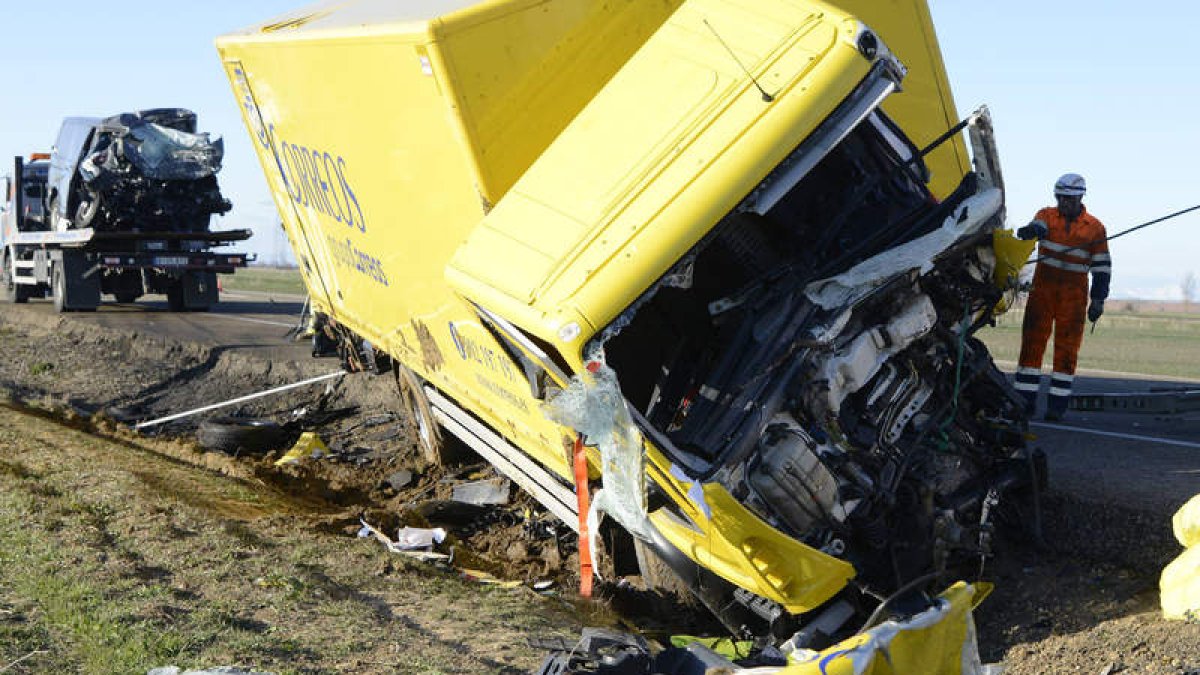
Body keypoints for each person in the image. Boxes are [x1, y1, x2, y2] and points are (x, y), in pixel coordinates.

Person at [1013, 173, 1111, 421]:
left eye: (1068, 199)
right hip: (1042, 293)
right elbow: (1040, 227)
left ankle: (1057, 406)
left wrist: (1097, 300)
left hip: (1074, 298)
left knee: (1067, 351)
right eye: (1060, 198)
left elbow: (1102, 268)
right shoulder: (1046, 216)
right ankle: (1024, 401)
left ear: (1079, 198)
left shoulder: (1095, 228)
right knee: (1032, 345)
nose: (1063, 203)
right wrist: (1032, 231)